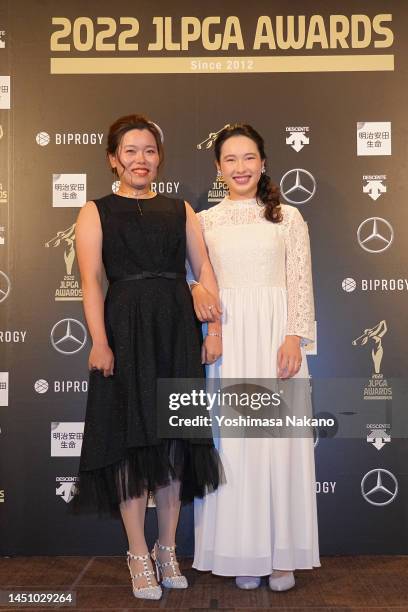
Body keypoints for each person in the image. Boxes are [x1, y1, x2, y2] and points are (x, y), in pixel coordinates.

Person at [75, 114, 223, 600]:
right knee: (131, 447)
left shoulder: (179, 209)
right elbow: (92, 281)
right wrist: (99, 340)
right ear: (113, 158)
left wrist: (212, 322)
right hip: (125, 330)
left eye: (150, 150)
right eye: (131, 151)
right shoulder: (96, 211)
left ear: (159, 157)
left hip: (177, 333)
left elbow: (204, 271)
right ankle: (138, 554)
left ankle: (166, 548)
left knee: (175, 444)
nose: (142, 159)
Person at [192, 124, 320, 591]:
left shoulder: (288, 216)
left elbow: (300, 280)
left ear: (263, 163)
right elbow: (191, 278)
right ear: (218, 167)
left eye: (249, 158)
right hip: (229, 340)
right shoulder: (204, 221)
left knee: (280, 444)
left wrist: (294, 336)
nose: (241, 167)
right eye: (230, 159)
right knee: (236, 446)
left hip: (275, 340)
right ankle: (241, 551)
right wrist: (201, 306)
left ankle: (282, 555)